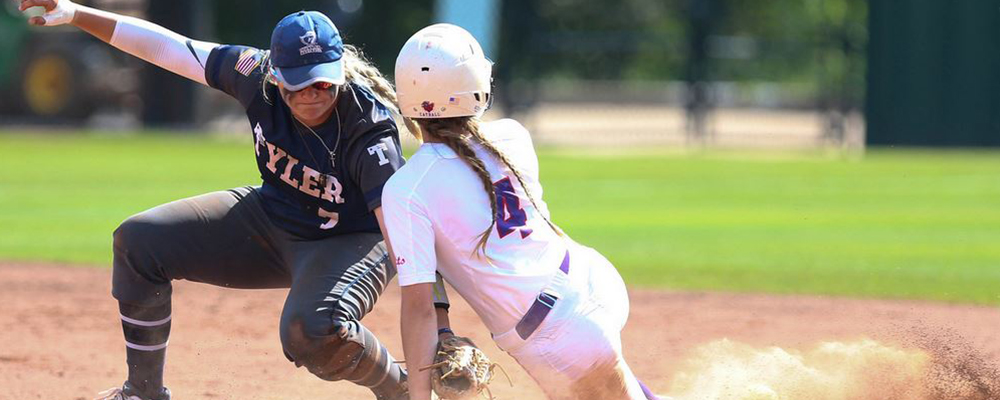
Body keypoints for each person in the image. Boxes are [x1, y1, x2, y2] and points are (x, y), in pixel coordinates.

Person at [19, 1, 456, 400]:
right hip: (274, 217)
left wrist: (444, 326)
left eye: (323, 82)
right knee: (138, 242)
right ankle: (143, 392)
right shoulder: (252, 72)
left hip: (352, 240)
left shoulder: (368, 128)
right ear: (275, 75)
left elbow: (409, 240)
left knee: (310, 332)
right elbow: (169, 48)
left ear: (340, 70)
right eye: (299, 84)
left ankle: (399, 390)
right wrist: (76, 13)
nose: (311, 94)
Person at [382, 24, 662, 400]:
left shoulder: (406, 188)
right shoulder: (513, 135)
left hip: (556, 338)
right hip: (592, 280)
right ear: (477, 84)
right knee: (618, 387)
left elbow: (419, 311)